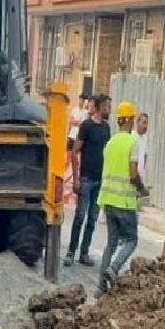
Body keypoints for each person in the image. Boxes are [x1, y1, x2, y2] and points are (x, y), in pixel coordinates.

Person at [97, 101, 147, 292]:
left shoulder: (110, 143)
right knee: (131, 240)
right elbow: (133, 174)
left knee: (110, 244)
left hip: (108, 201)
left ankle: (101, 287)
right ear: (130, 120)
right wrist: (142, 190)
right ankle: (114, 268)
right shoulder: (132, 142)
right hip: (124, 202)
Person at [64, 93, 111, 267]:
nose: (109, 110)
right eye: (107, 107)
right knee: (80, 216)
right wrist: (76, 178)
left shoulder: (106, 128)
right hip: (86, 179)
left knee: (92, 219)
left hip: (100, 181)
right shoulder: (86, 126)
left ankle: (84, 252)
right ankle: (70, 252)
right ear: (99, 107)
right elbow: (75, 151)